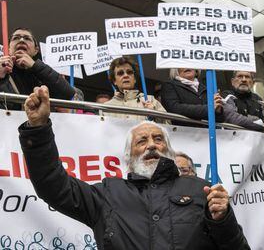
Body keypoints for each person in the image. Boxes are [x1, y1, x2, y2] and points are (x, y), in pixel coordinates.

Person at [19, 85, 250, 250]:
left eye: (158, 139)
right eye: (142, 141)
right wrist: (38, 130)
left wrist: (223, 220)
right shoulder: (108, 194)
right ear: (129, 156)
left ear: (168, 150)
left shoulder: (201, 190)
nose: (151, 145)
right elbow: (53, 186)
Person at [0, 27, 75, 109]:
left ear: (36, 50)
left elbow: (67, 94)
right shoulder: (2, 70)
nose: (21, 40)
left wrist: (35, 66)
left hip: (37, 121)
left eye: (27, 38)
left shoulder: (41, 74)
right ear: (8, 48)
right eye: (16, 38)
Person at [104, 57, 167, 122]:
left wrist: (155, 114)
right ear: (114, 81)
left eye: (129, 72)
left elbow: (169, 127)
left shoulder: (150, 100)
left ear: (134, 79)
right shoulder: (106, 107)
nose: (126, 75)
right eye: (120, 73)